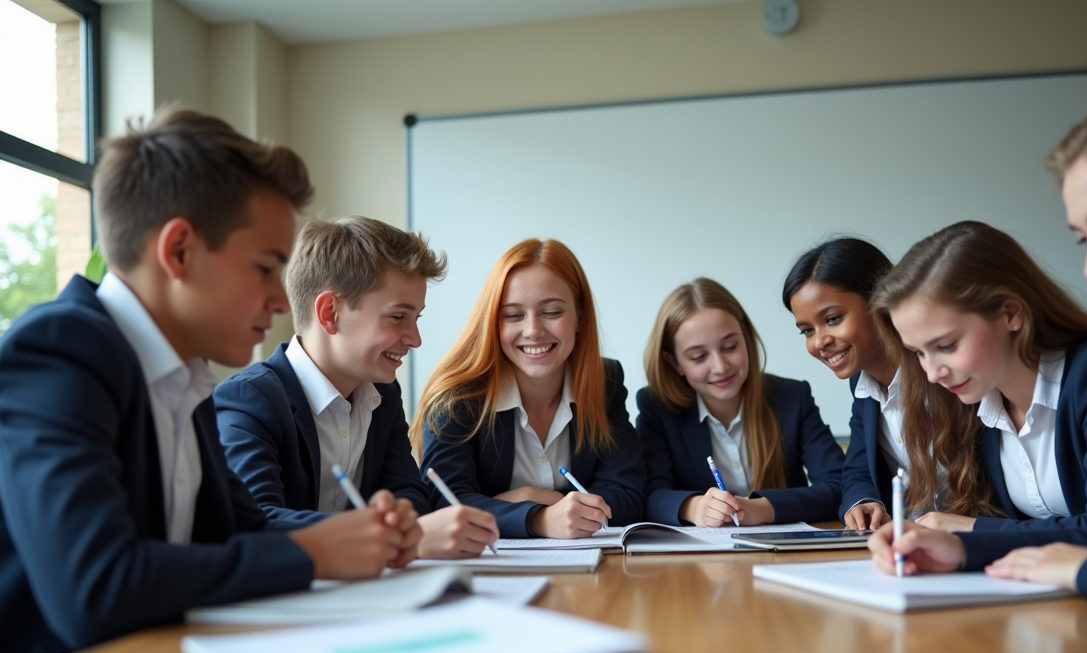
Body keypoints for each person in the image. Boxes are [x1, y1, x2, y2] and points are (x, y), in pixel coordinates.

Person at [0, 109, 420, 653]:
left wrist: (354, 534)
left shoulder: (185, 376)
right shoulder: (62, 351)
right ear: (178, 252)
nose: (280, 299)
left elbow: (243, 528)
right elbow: (95, 588)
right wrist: (313, 551)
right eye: (267, 268)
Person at [869, 78, 1087, 624]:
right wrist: (964, 546)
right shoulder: (979, 404)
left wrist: (997, 543)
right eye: (1083, 239)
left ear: (1011, 314)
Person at [215, 216, 499, 558]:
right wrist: (393, 536)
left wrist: (404, 522)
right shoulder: (249, 400)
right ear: (330, 313)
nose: (415, 338)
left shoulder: (383, 396)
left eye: (416, 318)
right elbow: (256, 523)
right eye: (398, 317)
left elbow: (408, 495)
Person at [871, 220, 1087, 534]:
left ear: (1011, 314)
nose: (933, 374)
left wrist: (973, 532)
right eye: (918, 353)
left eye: (947, 345)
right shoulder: (974, 402)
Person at [413, 238, 645, 538]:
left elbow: (628, 496)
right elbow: (445, 504)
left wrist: (537, 499)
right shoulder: (459, 397)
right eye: (513, 315)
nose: (533, 330)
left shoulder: (605, 380)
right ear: (493, 323)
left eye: (551, 312)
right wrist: (540, 519)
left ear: (580, 318)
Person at [636, 278, 844, 526]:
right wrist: (693, 507)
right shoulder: (657, 408)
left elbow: (839, 485)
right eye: (698, 356)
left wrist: (763, 509)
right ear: (675, 363)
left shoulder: (792, 397)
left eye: (730, 346)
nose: (720, 366)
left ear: (746, 337)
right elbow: (649, 496)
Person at [783, 238, 909, 530]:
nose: (819, 342)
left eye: (833, 318)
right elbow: (857, 470)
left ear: (880, 300)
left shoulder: (946, 374)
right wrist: (863, 502)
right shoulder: (862, 384)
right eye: (806, 331)